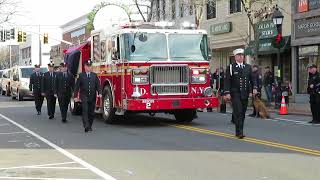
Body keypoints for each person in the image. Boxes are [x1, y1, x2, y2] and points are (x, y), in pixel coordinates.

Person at [224, 48, 257, 139]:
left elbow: (252, 79)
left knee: (242, 113)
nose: (241, 57)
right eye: (239, 55)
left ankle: (239, 130)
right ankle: (239, 132)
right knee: (238, 112)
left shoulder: (248, 67)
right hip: (235, 93)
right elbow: (227, 81)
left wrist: (254, 88)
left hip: (245, 93)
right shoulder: (231, 67)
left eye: (242, 55)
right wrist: (227, 93)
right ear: (235, 57)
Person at [74, 60, 101, 132]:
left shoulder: (94, 75)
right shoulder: (81, 75)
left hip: (92, 96)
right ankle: (86, 125)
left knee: (91, 112)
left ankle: (90, 125)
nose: (89, 68)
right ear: (85, 67)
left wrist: (100, 92)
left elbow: (98, 85)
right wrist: (75, 96)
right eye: (87, 66)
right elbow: (77, 87)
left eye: (90, 66)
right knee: (85, 110)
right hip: (84, 95)